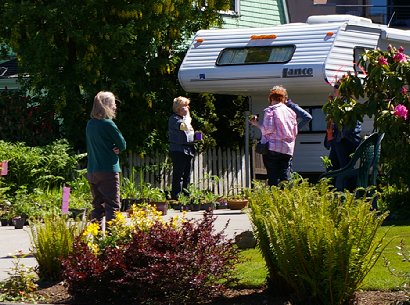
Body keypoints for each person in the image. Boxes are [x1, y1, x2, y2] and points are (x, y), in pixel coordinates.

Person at [86, 91, 126, 226]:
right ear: (106, 106)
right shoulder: (108, 124)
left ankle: (96, 238)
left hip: (92, 171)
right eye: (113, 104)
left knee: (97, 206)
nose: (115, 107)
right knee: (113, 206)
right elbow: (122, 144)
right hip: (108, 170)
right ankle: (111, 240)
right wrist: (118, 148)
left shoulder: (90, 124)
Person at [250, 86, 298, 186]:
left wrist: (256, 124)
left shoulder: (270, 110)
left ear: (271, 98)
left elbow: (268, 129)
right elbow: (295, 131)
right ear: (283, 99)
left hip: (273, 148)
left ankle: (274, 199)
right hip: (287, 149)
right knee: (284, 176)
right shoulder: (291, 112)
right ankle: (286, 198)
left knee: (273, 176)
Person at [168, 96, 195, 200]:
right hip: (178, 150)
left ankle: (185, 194)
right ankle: (176, 196)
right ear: (179, 108)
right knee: (178, 174)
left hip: (188, 150)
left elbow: (188, 132)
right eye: (185, 105)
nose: (187, 107)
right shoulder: (174, 119)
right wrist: (187, 117)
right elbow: (184, 127)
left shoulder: (185, 119)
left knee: (186, 175)